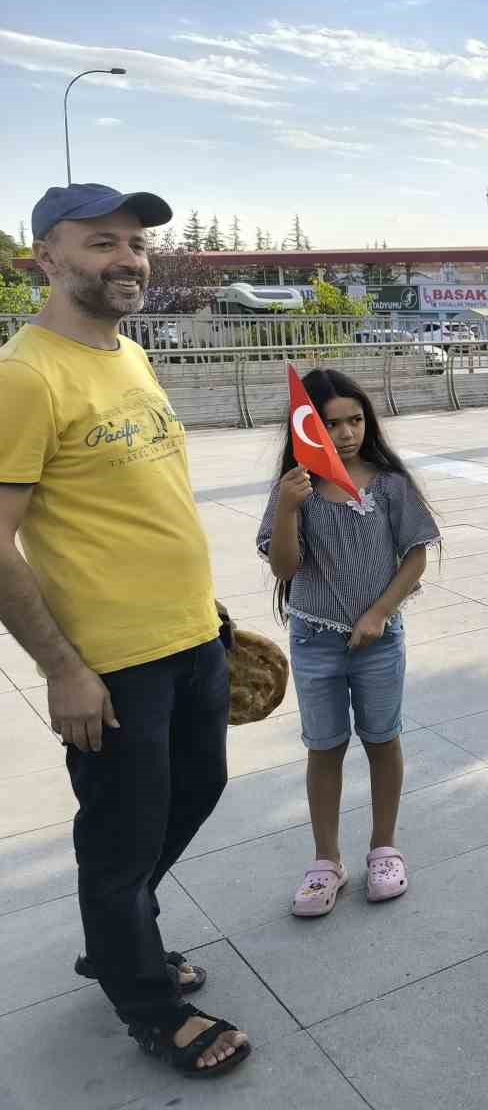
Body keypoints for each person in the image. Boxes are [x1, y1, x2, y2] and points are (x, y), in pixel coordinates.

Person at [0, 185, 250, 1076]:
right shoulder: (25, 376)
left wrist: (207, 612)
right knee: (120, 837)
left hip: (188, 635)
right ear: (46, 259)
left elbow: (150, 504)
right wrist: (61, 669)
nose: (128, 260)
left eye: (136, 244)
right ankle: (146, 1000)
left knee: (197, 792)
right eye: (102, 242)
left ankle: (118, 940)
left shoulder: (129, 357)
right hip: (111, 665)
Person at [257, 369, 439, 917]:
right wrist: (290, 507)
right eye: (330, 423)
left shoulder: (388, 483)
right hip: (314, 638)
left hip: (379, 641)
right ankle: (325, 860)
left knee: (383, 739)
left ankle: (384, 847)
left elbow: (415, 555)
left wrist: (381, 613)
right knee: (325, 747)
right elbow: (285, 566)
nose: (345, 433)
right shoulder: (297, 488)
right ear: (305, 427)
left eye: (355, 420)